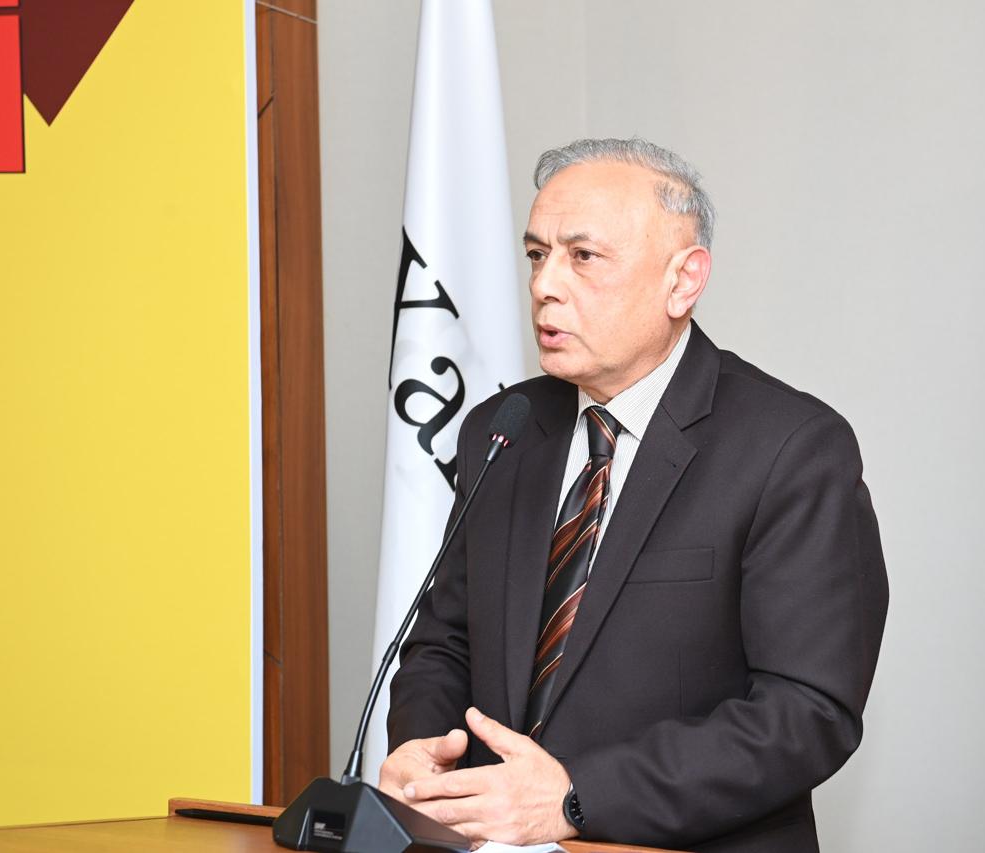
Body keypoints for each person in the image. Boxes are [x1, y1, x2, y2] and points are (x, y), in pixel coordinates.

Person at [379, 138, 888, 853]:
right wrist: (424, 752)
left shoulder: (792, 448)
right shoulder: (501, 429)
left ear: (684, 280)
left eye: (583, 256)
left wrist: (576, 797)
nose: (545, 284)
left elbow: (806, 713)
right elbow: (444, 642)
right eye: (537, 254)